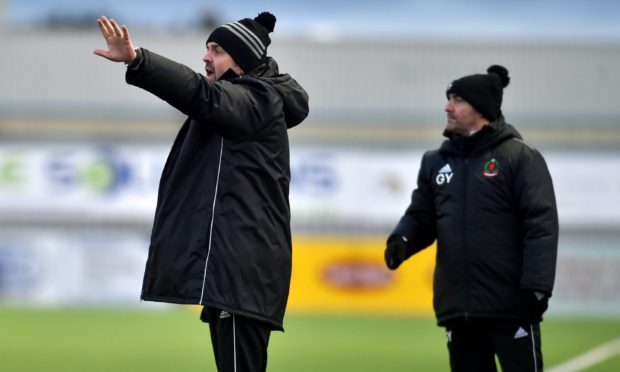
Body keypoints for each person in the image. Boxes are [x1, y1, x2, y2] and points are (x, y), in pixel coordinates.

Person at [94, 11, 309, 372]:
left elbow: (198, 94)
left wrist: (138, 60)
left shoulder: (256, 100)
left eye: (217, 50)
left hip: (240, 268)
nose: (206, 57)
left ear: (242, 62)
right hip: (233, 267)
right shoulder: (247, 101)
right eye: (207, 49)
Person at [385, 65, 558, 372]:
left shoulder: (519, 157)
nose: (447, 106)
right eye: (449, 98)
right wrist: (403, 238)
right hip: (459, 308)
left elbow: (541, 225)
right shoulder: (435, 162)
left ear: (481, 109)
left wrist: (536, 288)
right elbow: (422, 215)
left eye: (457, 100)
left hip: (511, 306)